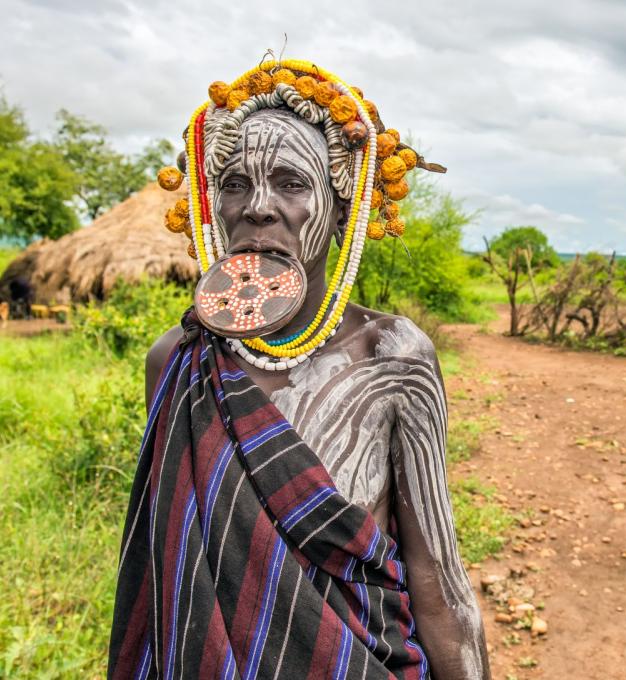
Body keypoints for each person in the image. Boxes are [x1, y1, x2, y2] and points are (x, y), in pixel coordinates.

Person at [108, 59, 490, 679]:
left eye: (290, 183)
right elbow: (169, 574)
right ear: (212, 207)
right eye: (234, 184)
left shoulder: (392, 358)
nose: (257, 207)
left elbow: (436, 575)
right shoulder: (176, 363)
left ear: (342, 210)